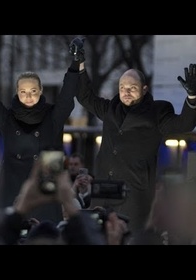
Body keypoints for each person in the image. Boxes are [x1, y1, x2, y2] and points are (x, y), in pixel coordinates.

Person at [70, 37, 196, 233]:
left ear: (144, 90)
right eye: (122, 88)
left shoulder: (157, 112)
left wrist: (192, 97)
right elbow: (84, 96)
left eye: (132, 88)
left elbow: (185, 123)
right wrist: (79, 63)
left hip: (134, 197)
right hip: (103, 193)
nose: (126, 92)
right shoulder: (111, 108)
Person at [0, 41, 82, 224]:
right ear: (17, 92)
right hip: (12, 195)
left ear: (41, 91)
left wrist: (76, 63)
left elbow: (67, 97)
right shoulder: (7, 119)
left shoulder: (53, 118)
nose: (28, 96)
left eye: (33, 91)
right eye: (23, 91)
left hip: (45, 195)